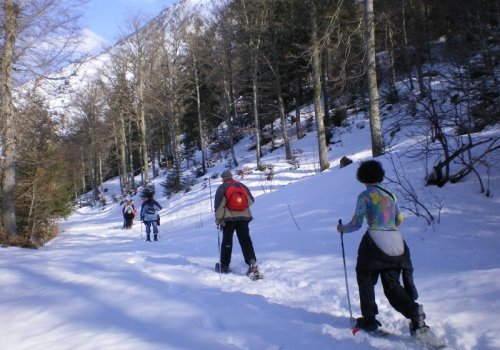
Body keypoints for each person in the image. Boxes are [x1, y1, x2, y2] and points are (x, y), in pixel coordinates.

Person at [337, 159, 429, 337]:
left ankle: (369, 320)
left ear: (362, 177)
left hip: (374, 243)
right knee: (392, 286)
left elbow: (356, 224)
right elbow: (399, 220)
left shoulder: (365, 196)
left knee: (365, 277)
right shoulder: (391, 195)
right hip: (396, 245)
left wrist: (342, 229)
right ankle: (414, 313)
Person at [214, 169, 261, 278]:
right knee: (245, 240)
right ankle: (252, 264)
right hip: (244, 217)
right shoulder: (241, 185)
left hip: (229, 219)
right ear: (231, 176)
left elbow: (219, 206)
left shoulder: (222, 188)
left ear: (223, 178)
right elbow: (251, 200)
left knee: (227, 240)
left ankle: (224, 265)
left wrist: (218, 219)